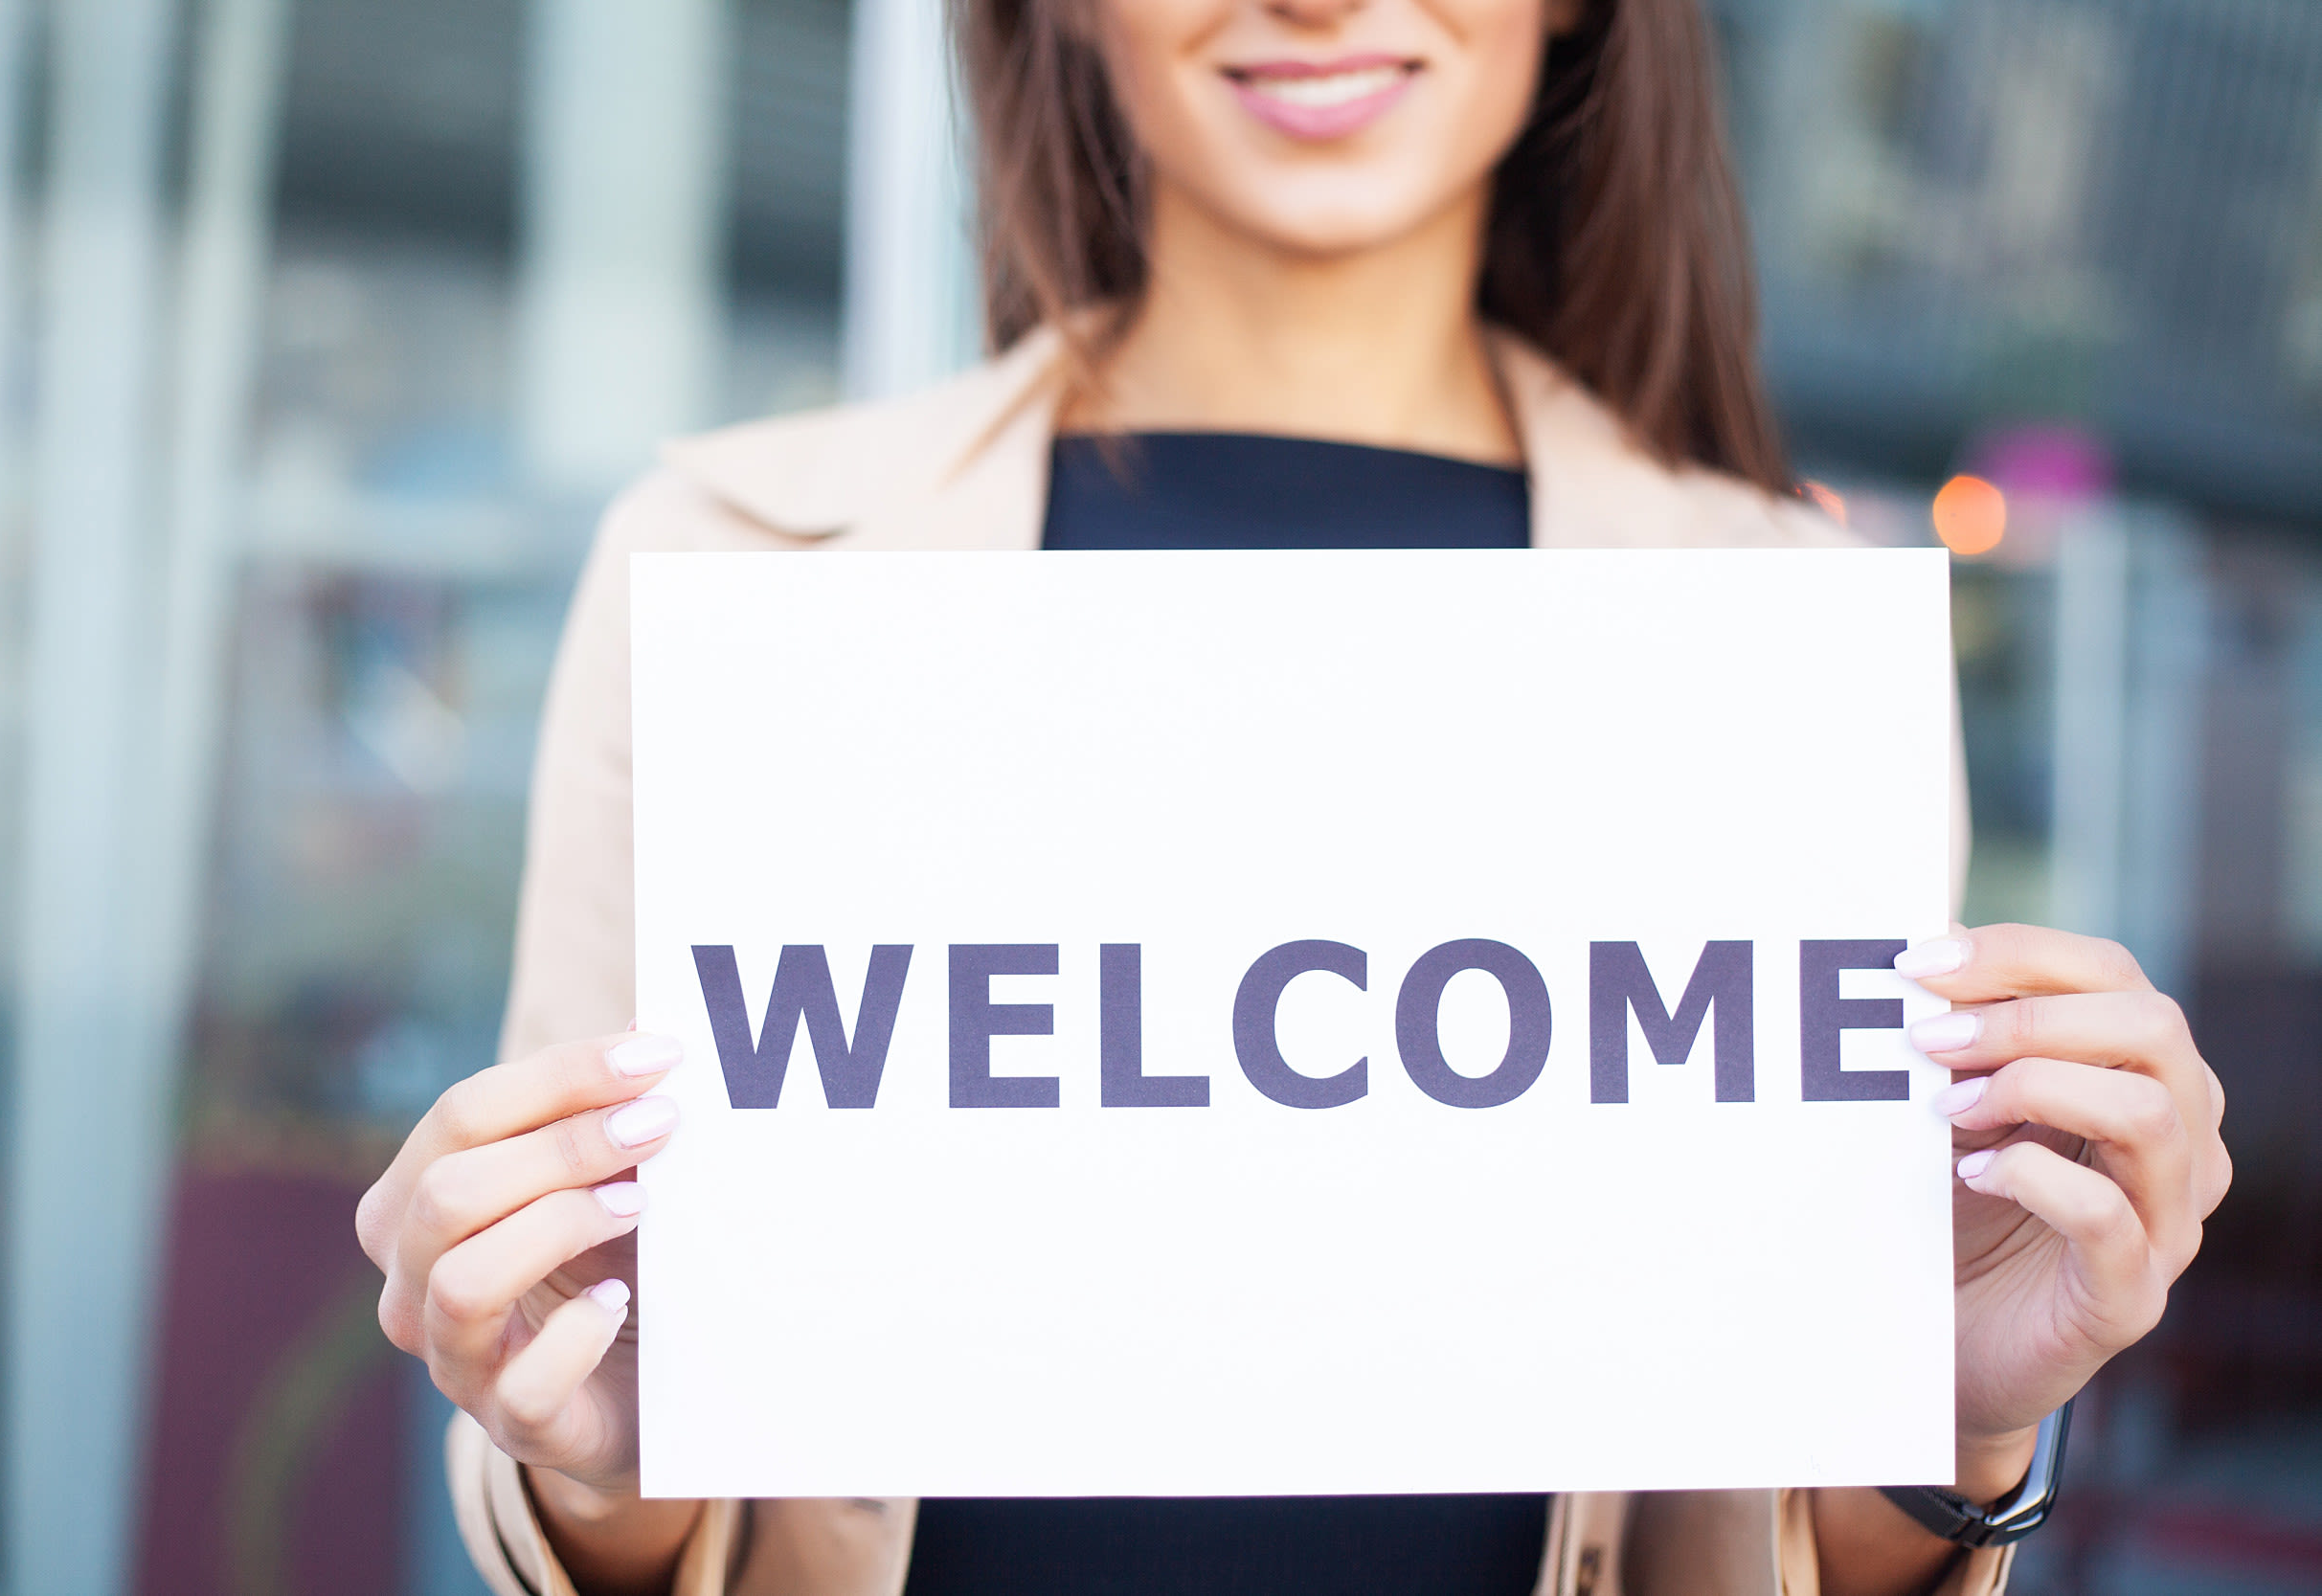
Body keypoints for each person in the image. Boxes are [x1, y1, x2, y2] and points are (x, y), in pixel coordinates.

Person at [355, 0, 2232, 1591]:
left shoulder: (1771, 636)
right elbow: (596, 1410)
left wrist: (1945, 1415)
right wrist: (601, 1451)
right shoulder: (735, 569)